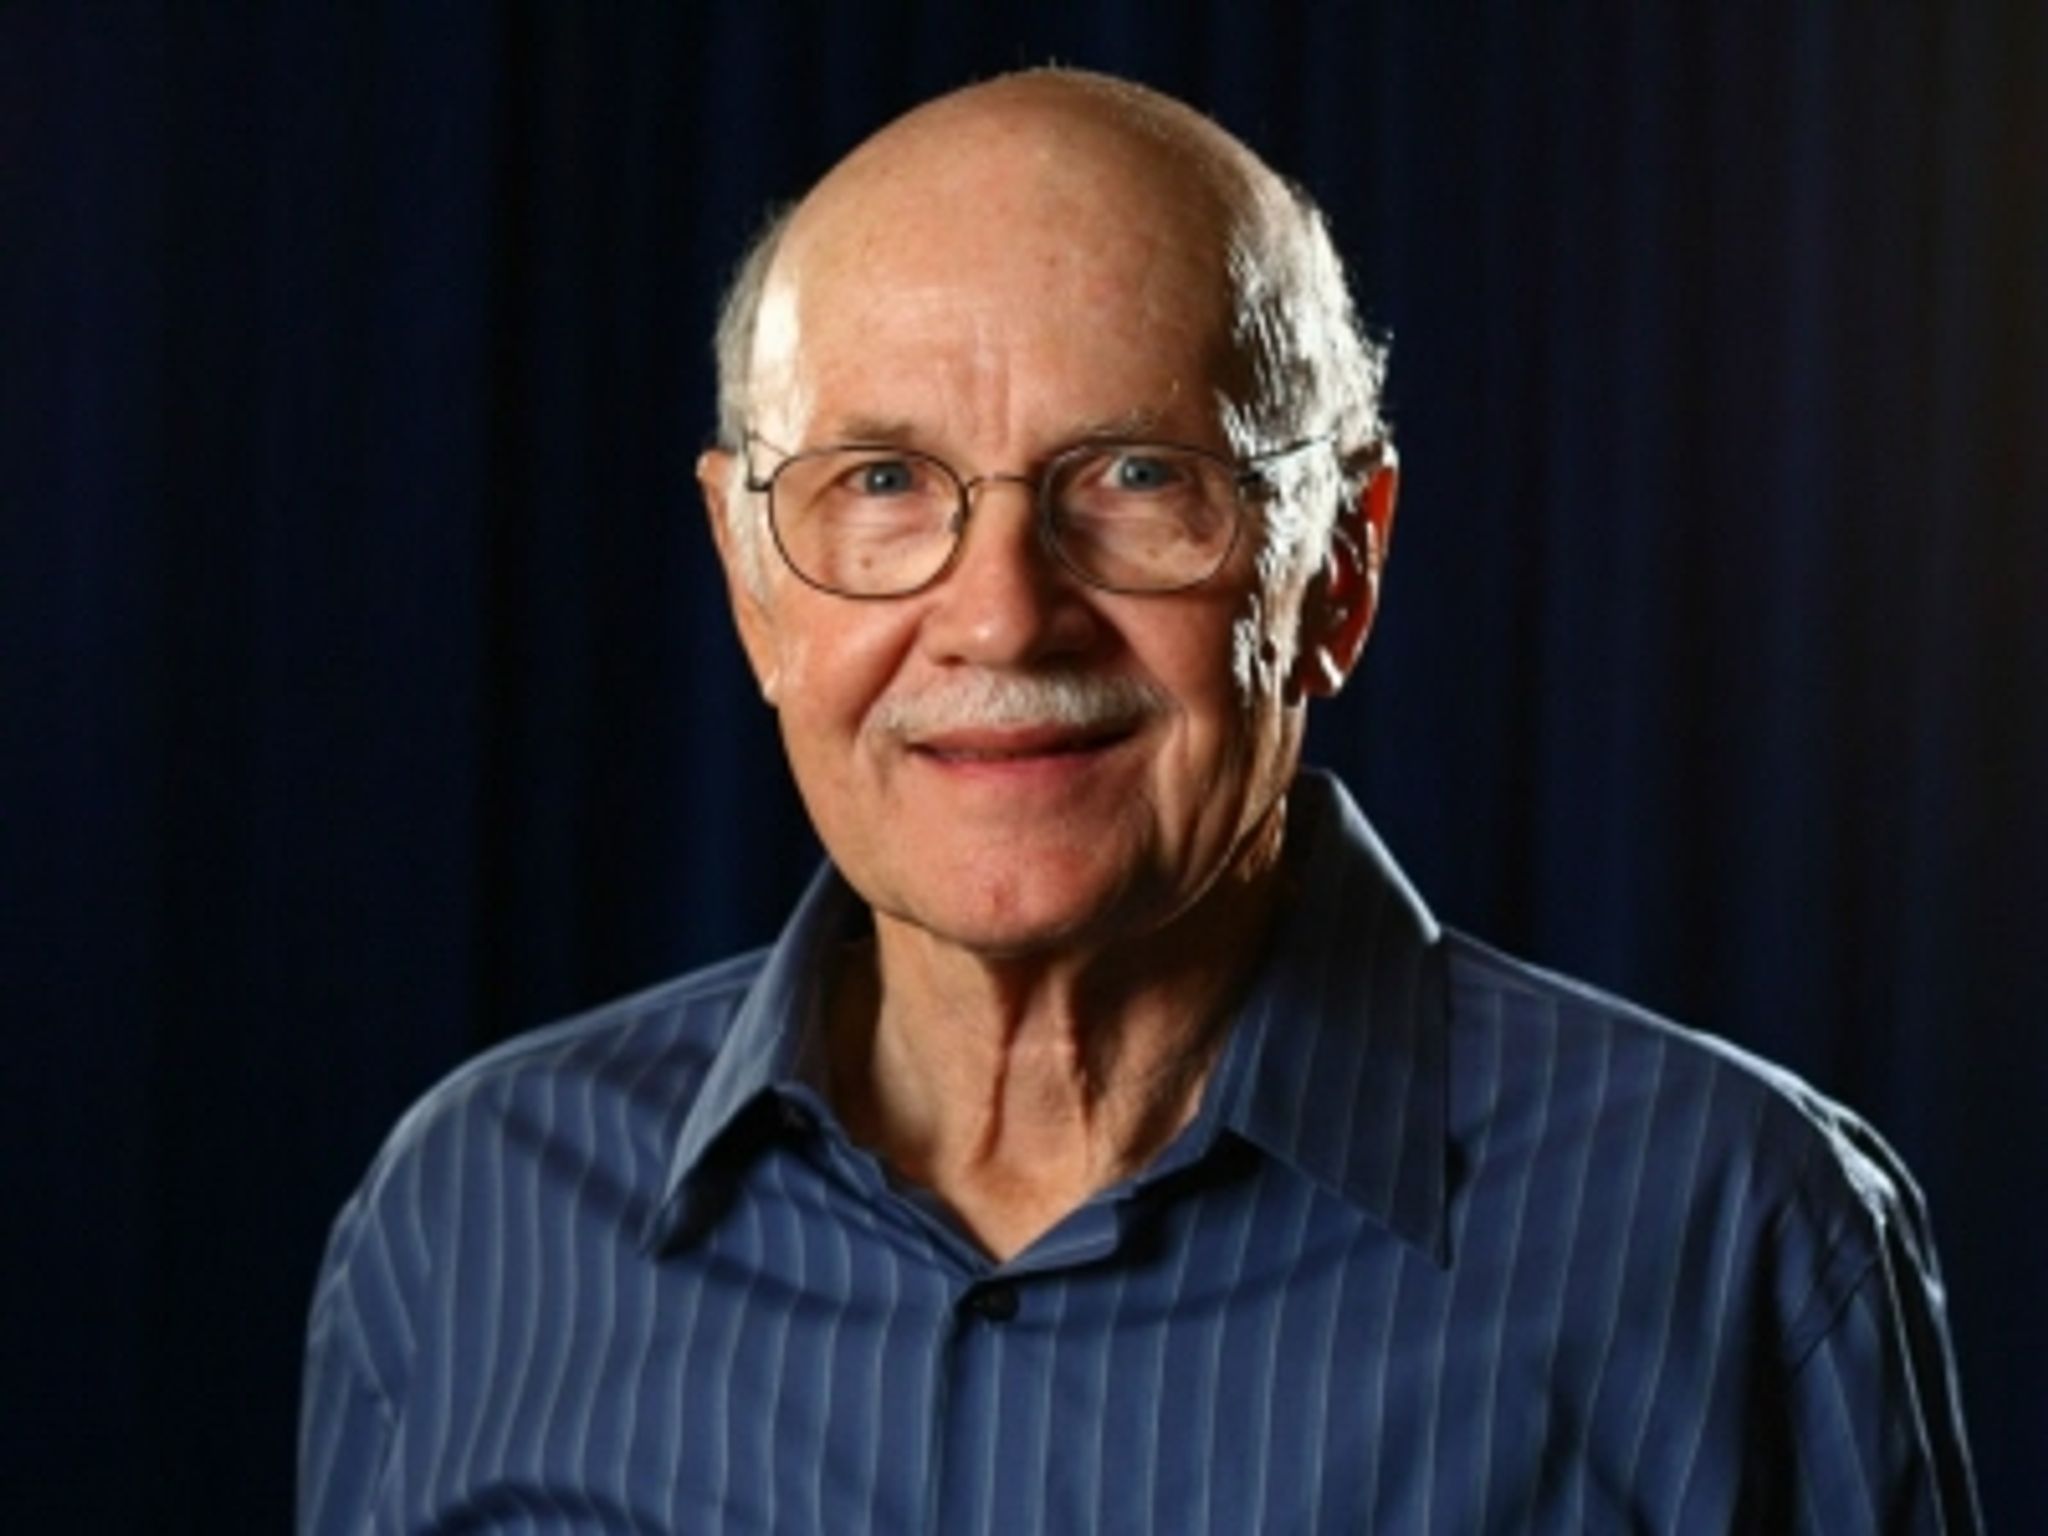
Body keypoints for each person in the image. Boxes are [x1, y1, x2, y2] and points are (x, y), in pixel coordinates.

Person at [300, 69, 1980, 1532]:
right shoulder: (472, 1226)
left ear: (1340, 570)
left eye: (1137, 476)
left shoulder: (1729, 1235)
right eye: (882, 481)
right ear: (751, 581)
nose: (1001, 615)